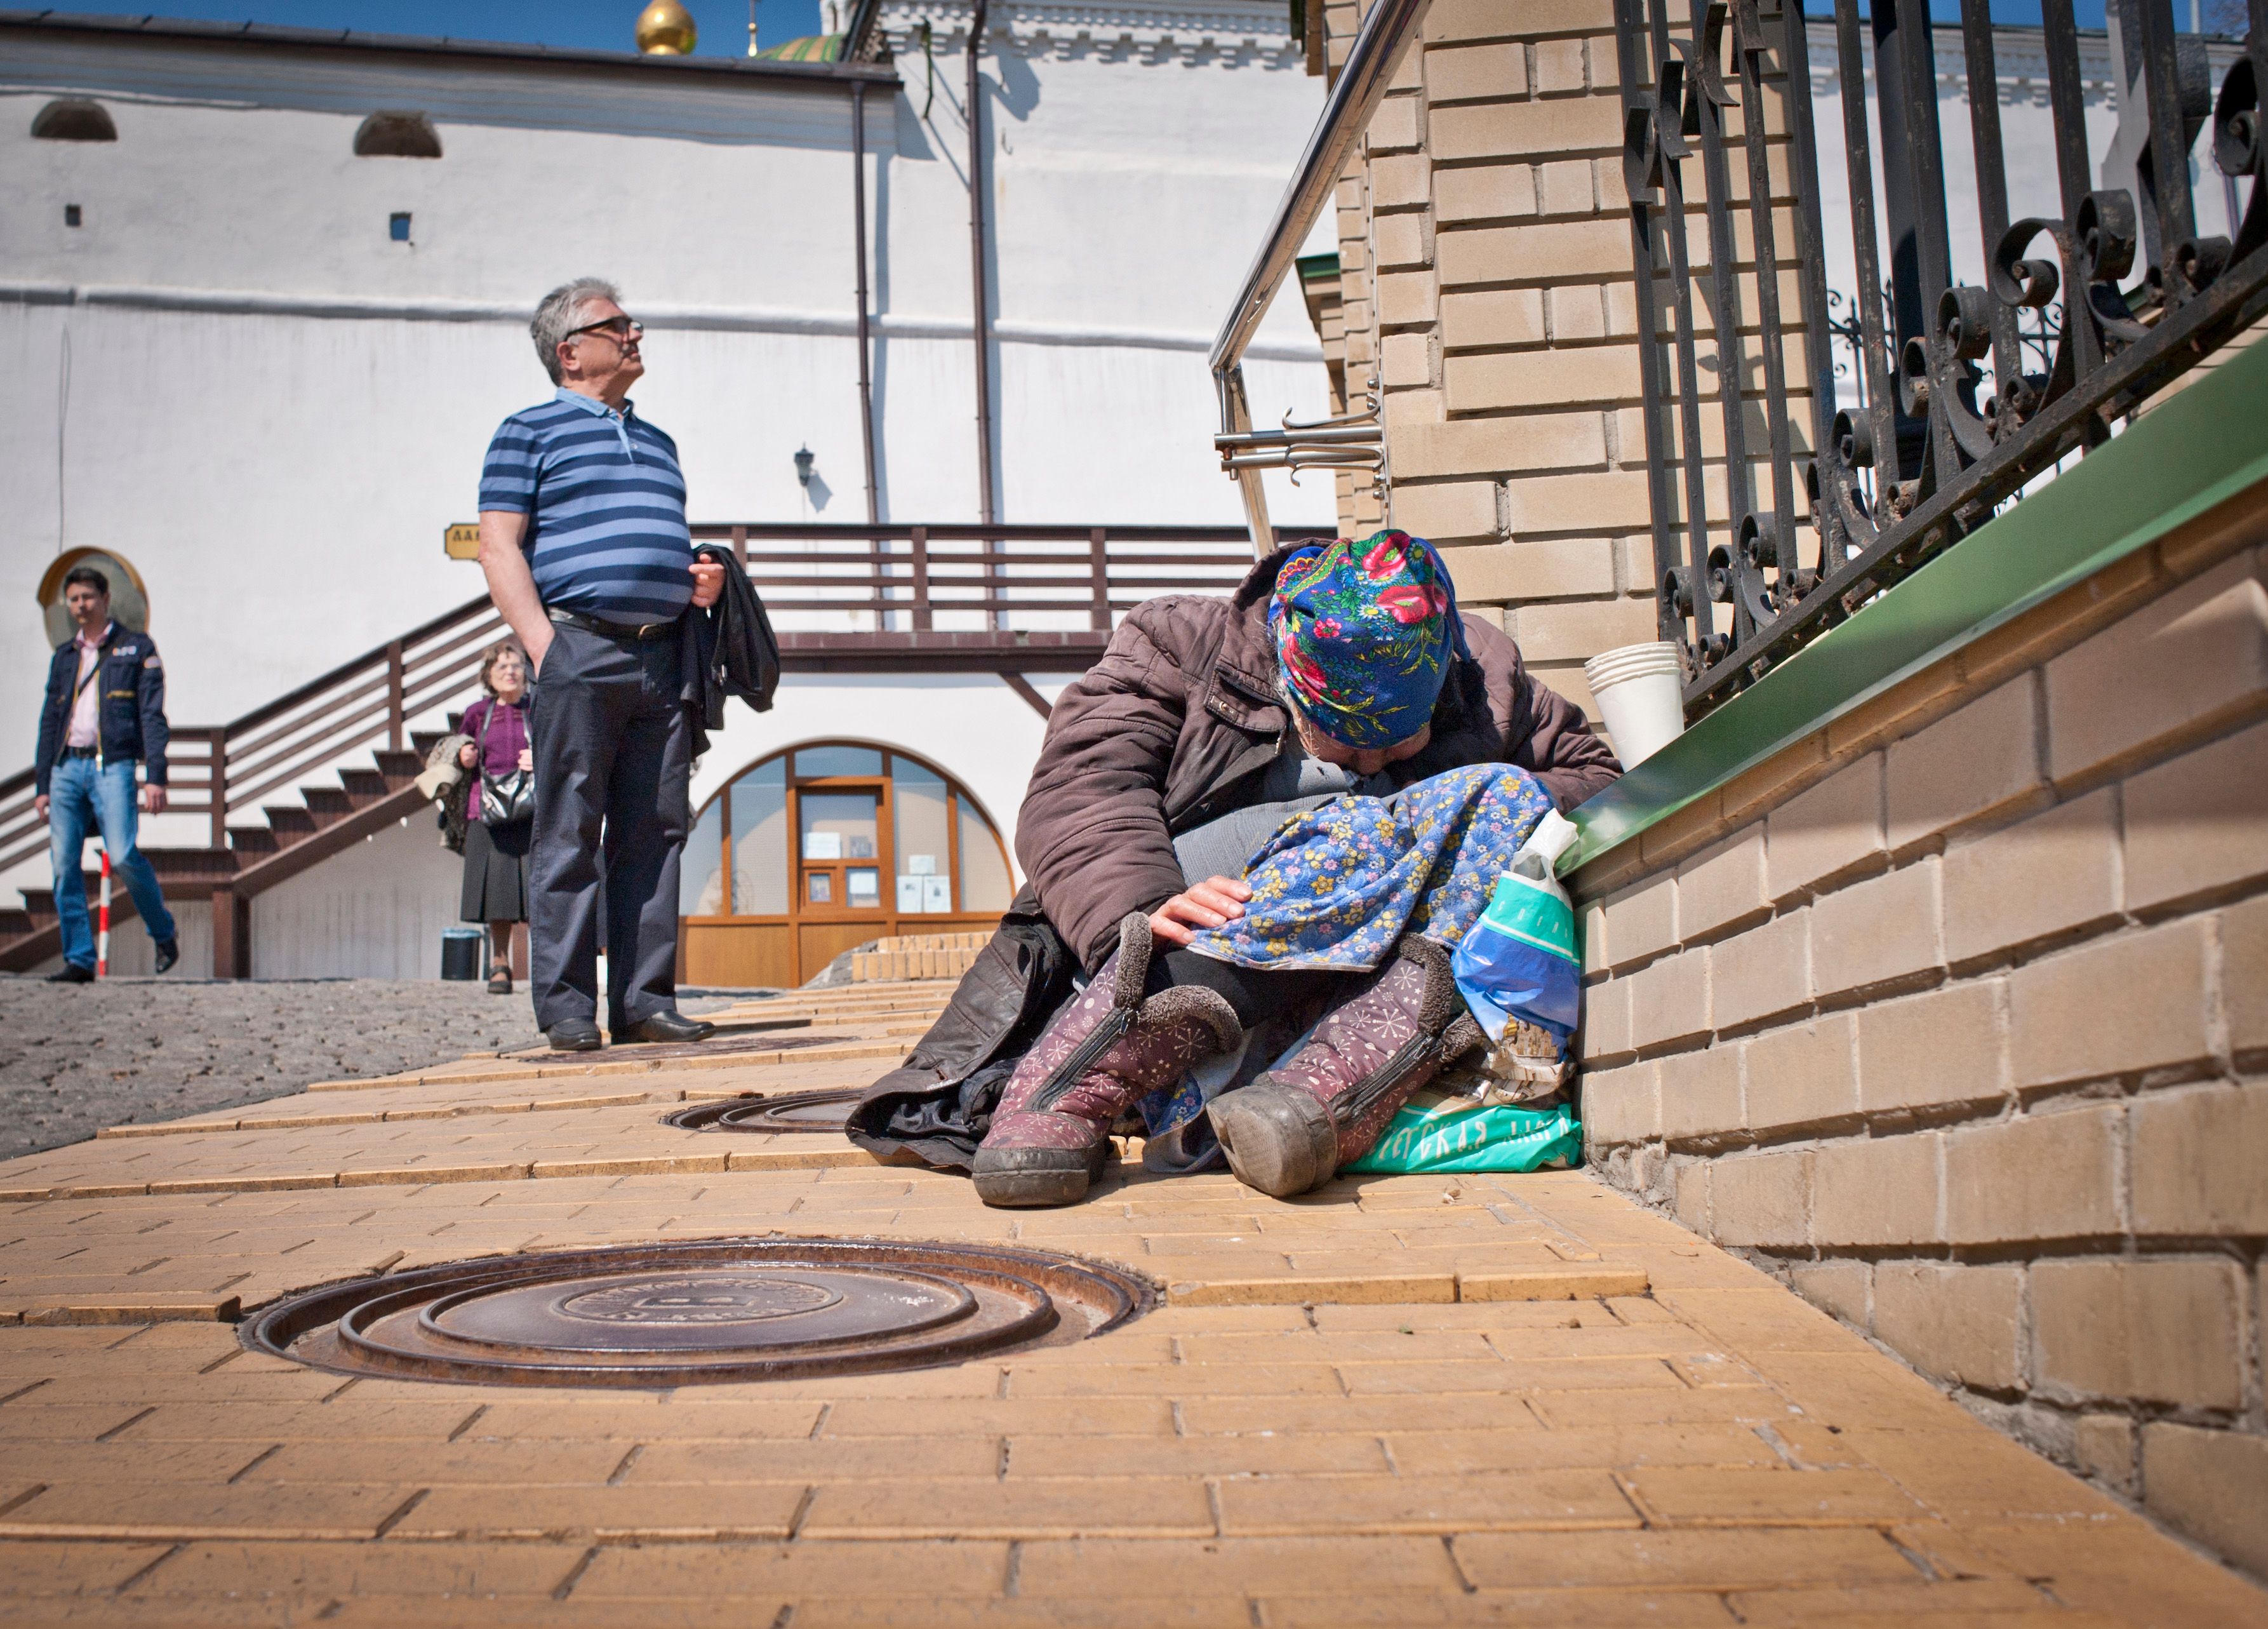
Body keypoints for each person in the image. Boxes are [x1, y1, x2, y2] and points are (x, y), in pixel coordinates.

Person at [850, 531, 1622, 1207]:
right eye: (1346, 740)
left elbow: (1593, 778)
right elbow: (1083, 789)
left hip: (1347, 960)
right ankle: (1087, 1069)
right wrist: (1138, 908)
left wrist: (1442, 809)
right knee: (1364, 822)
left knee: (1491, 799)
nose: (1373, 762)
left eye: (1400, 740)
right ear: (1293, 684)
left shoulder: (1482, 675)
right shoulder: (1177, 645)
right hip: (1182, 922)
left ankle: (1311, 1091)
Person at [476, 278, 726, 1050]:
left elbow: (652, 539)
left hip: (663, 654)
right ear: (570, 352)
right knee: (570, 830)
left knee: (656, 830)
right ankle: (567, 1008)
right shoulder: (526, 432)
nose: (634, 334)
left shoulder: (659, 442)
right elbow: (498, 546)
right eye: (618, 325)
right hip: (578, 650)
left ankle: (644, 1001)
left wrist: (700, 583)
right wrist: (545, 648)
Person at [32, 565, 179, 982]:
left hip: (112, 766)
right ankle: (79, 958)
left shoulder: (135, 647)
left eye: (87, 597)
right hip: (66, 768)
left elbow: (152, 715)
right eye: (74, 599)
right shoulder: (64, 656)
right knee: (64, 864)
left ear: (105, 599)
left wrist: (156, 776)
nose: (81, 605)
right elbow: (50, 722)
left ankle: (163, 931)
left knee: (124, 855)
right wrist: (42, 784)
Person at [456, 640, 535, 996]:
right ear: (489, 675)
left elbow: (562, 747)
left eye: (516, 665)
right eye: (502, 666)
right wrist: (464, 755)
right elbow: (456, 750)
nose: (510, 672)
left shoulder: (538, 708)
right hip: (487, 811)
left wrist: (540, 757)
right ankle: (499, 965)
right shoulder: (477, 713)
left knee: (539, 893)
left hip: (534, 810)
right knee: (496, 894)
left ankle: (545, 969)